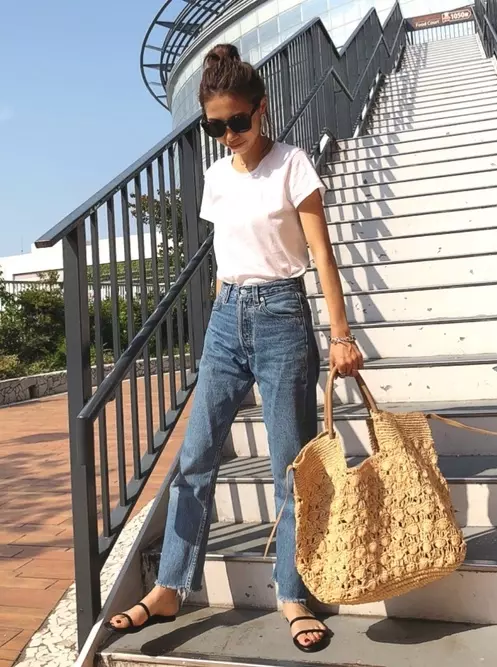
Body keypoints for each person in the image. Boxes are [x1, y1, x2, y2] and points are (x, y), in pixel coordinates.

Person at [106, 43, 363, 653]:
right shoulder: (218, 176)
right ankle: (170, 586)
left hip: (282, 317)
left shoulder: (294, 164)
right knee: (195, 457)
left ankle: (292, 593)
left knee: (288, 467)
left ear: (261, 108)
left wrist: (341, 335)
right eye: (215, 127)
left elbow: (322, 255)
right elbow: (225, 256)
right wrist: (221, 320)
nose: (228, 136)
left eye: (238, 122)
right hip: (227, 320)